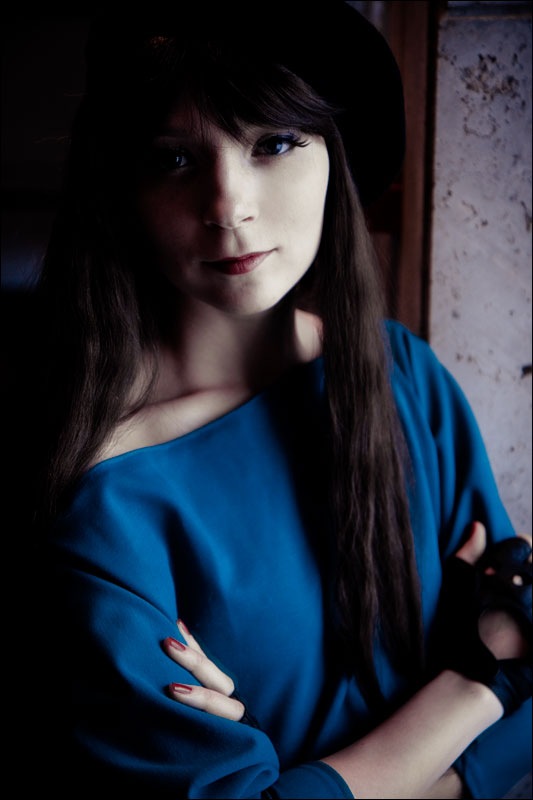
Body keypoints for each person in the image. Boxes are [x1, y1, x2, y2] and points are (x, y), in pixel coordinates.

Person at [14, 2, 531, 797]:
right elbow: (510, 665)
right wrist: (477, 681)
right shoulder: (104, 502)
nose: (229, 205)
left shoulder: (405, 376)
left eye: (274, 143)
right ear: (124, 186)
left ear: (334, 154)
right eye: (174, 159)